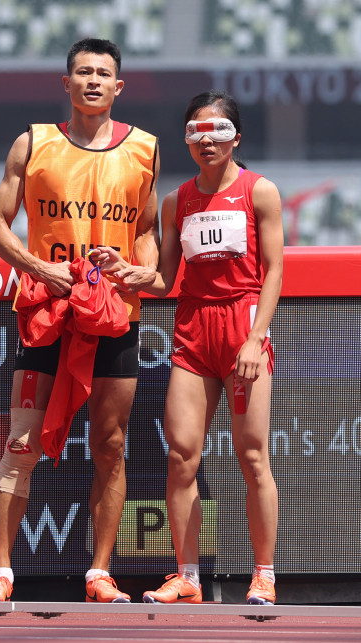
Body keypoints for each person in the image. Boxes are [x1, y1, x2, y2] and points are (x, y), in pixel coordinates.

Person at [0, 37, 160, 604]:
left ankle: (99, 574)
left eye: (104, 73)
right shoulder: (33, 144)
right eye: (83, 72)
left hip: (113, 319)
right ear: (67, 83)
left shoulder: (145, 149)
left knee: (110, 445)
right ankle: (1, 574)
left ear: (118, 86)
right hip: (46, 315)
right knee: (22, 442)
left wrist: (136, 269)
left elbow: (149, 234)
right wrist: (40, 268)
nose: (93, 81)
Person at [92, 90, 283, 605]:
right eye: (196, 132)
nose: (206, 141)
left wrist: (255, 338)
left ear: (236, 138)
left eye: (217, 131)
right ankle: (188, 577)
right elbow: (165, 278)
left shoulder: (260, 191)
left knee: (252, 455)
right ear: (186, 140)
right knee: (181, 457)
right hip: (193, 332)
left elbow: (274, 272)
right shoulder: (178, 201)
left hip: (242, 330)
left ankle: (263, 573)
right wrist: (125, 272)